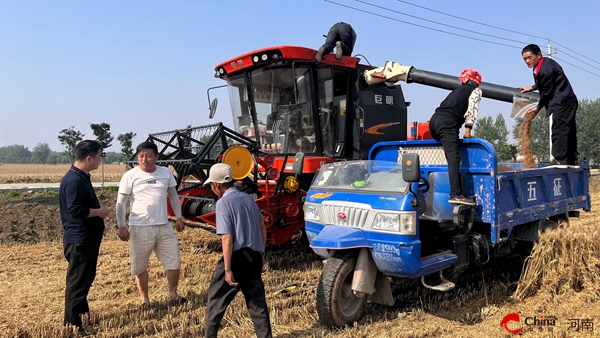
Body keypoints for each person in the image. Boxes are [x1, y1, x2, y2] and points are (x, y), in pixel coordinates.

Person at [203, 163, 272, 338]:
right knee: (257, 305)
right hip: (254, 256)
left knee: (215, 303)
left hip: (237, 258)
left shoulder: (223, 203)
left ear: (216, 185)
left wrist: (227, 269)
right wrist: (261, 253)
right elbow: (262, 227)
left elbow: (227, 237)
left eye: (211, 185)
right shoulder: (249, 198)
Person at [116, 141, 186, 305]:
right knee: (140, 266)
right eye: (141, 156)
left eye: (148, 156)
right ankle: (145, 300)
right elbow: (121, 202)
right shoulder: (130, 176)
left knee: (174, 261)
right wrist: (121, 225)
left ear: (156, 157)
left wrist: (179, 217)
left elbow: (173, 195)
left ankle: (172, 294)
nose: (144, 159)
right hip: (140, 227)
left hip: (164, 226)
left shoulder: (165, 173)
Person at [59, 140, 110, 336]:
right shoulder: (74, 180)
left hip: (86, 238)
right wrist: (99, 212)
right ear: (89, 158)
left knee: (85, 278)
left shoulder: (81, 176)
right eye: (99, 156)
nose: (100, 160)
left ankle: (81, 315)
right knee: (77, 283)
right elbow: (75, 209)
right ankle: (72, 326)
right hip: (80, 239)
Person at [518, 44, 578, 165]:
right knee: (568, 129)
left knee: (559, 130)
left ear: (539, 55)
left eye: (529, 57)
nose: (527, 61)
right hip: (567, 100)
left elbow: (546, 93)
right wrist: (533, 87)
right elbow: (548, 82)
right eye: (525, 59)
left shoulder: (545, 69)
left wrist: (537, 108)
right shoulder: (545, 64)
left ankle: (560, 159)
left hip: (562, 102)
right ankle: (571, 159)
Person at [429, 69, 482, 206]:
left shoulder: (456, 91)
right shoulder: (475, 91)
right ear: (476, 82)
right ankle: (455, 194)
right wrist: (468, 131)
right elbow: (472, 110)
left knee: (448, 151)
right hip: (448, 123)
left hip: (434, 123)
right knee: (454, 158)